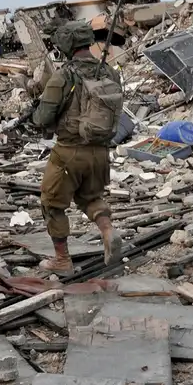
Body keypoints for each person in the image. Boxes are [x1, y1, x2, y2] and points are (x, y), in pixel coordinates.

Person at [31, 23, 124, 276]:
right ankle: (107, 231)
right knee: (90, 197)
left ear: (65, 44)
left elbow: (43, 117)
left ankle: (62, 259)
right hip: (101, 152)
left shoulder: (64, 75)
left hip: (69, 153)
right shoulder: (109, 72)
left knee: (52, 204)